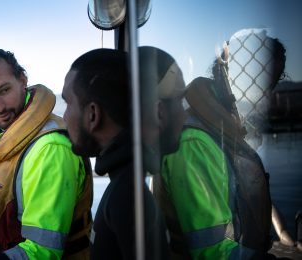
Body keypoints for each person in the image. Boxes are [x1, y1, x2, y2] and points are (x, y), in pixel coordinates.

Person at [153, 37, 280, 258]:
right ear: (229, 75)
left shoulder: (223, 128)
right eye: (257, 81)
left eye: (270, 84)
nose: (264, 93)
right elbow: (210, 251)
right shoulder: (194, 143)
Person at [0, 46, 93, 259]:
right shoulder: (12, 139)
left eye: (4, 90)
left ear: (23, 80)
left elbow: (43, 251)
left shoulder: (50, 148)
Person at [61, 46, 187, 259]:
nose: (64, 117)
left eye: (68, 103)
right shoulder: (127, 186)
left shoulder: (127, 197)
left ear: (93, 115)